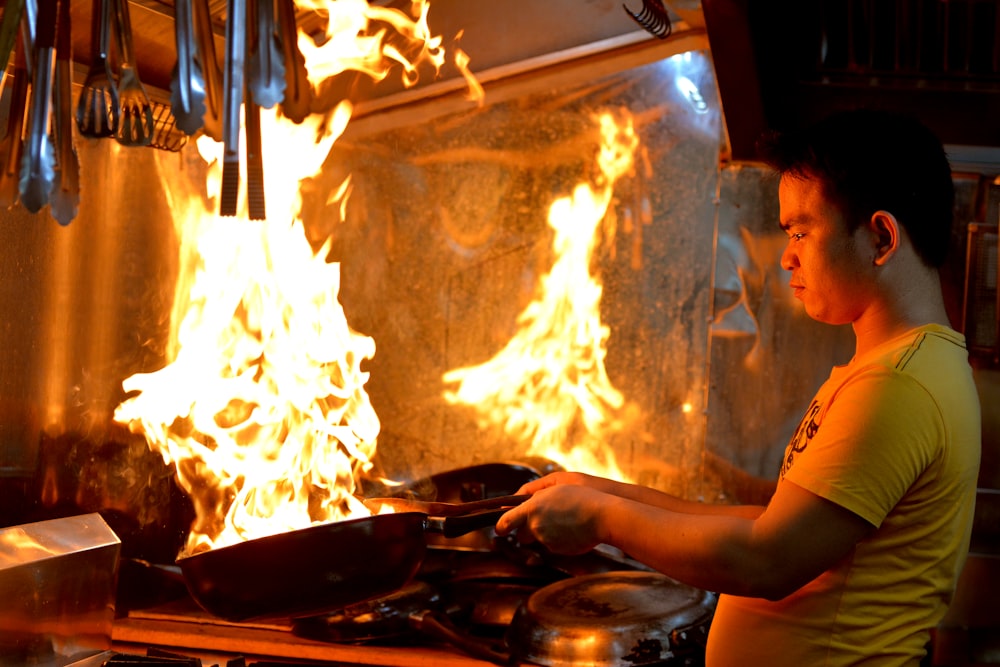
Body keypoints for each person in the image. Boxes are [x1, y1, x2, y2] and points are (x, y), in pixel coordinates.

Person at [495, 108, 982, 666]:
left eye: (801, 230)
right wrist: (604, 492)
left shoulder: (900, 388)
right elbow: (772, 524)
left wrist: (601, 520)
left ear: (879, 236)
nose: (787, 256)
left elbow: (766, 561)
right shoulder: (897, 371)